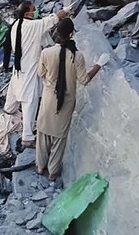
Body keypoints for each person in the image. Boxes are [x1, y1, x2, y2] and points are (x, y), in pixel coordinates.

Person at [36, 18, 109, 180]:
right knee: (59, 137)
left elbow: (40, 73)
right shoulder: (77, 56)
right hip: (67, 101)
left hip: (48, 98)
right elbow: (84, 80)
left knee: (43, 132)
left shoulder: (46, 53)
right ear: (71, 34)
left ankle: (40, 166)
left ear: (56, 33)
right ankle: (53, 171)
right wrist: (98, 65)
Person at [3, 2, 68, 148]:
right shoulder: (32, 26)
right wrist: (67, 9)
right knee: (30, 101)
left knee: (13, 91)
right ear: (27, 14)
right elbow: (52, 20)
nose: (36, 11)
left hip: (19, 67)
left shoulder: (16, 24)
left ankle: (9, 112)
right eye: (34, 10)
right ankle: (27, 137)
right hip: (29, 69)